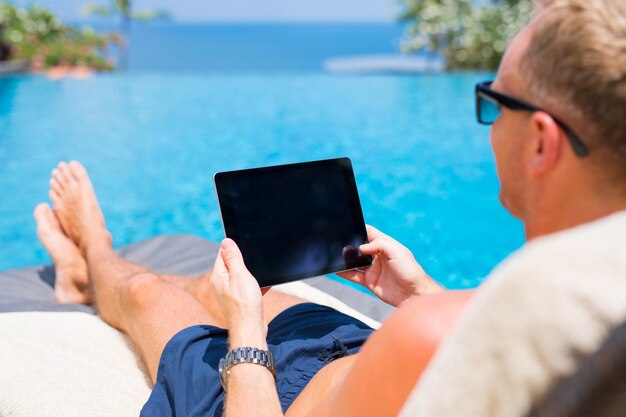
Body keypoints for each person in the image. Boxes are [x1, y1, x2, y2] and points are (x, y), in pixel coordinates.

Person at [34, 0, 625, 416]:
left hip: (269, 396)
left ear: (543, 142)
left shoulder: (427, 334)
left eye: (494, 102)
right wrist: (421, 294)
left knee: (149, 297)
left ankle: (93, 256)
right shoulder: (599, 290)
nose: (490, 126)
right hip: (354, 362)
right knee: (259, 292)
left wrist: (244, 333)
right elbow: (493, 343)